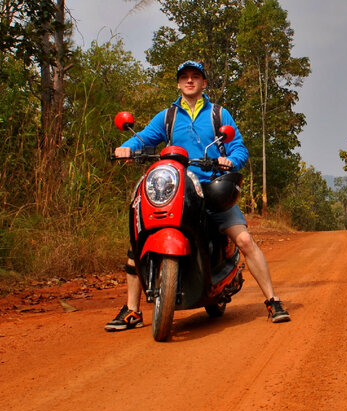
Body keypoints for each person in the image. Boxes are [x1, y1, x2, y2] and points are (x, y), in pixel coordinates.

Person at [105, 60, 291, 330]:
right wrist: (126, 147)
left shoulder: (218, 114)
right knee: (137, 243)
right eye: (184, 77)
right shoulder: (167, 116)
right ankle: (132, 311)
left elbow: (238, 147)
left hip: (212, 188)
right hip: (178, 189)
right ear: (179, 83)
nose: (189, 81)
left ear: (204, 83)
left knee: (244, 239)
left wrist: (231, 161)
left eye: (195, 77)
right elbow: (143, 138)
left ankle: (272, 300)